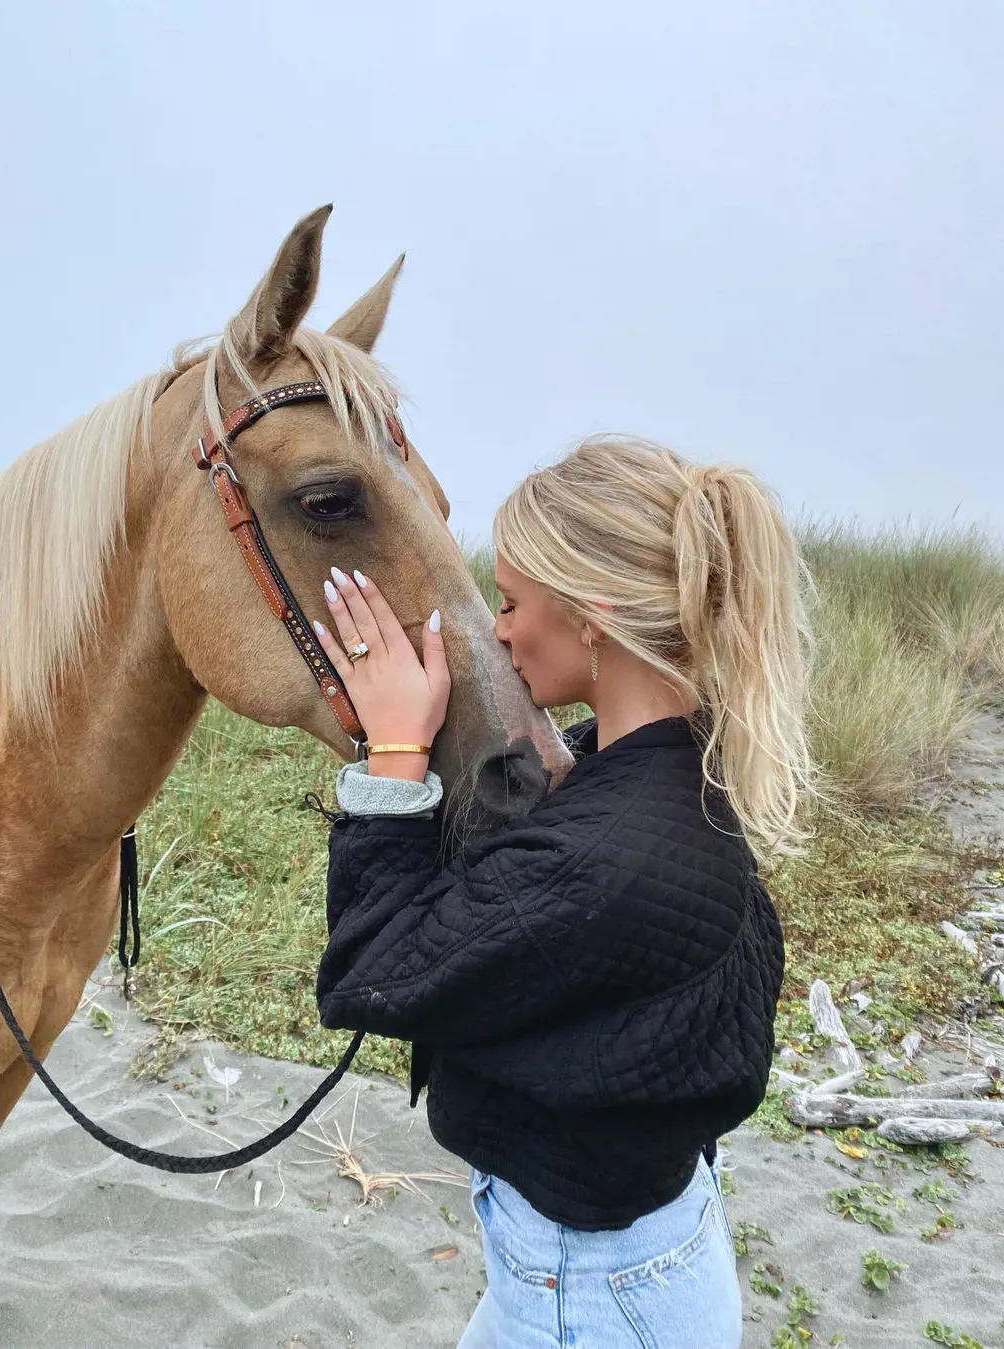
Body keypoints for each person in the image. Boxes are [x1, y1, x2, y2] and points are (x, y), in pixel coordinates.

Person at [310, 436, 810, 1348]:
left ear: (592, 618)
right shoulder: (671, 769)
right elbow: (519, 891)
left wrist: (393, 752)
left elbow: (372, 972)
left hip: (591, 1291)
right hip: (627, 1247)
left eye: (507, 604)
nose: (497, 631)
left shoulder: (606, 853)